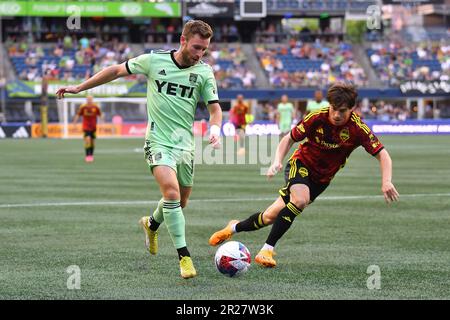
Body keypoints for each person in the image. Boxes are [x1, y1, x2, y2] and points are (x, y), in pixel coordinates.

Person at [57, 20, 222, 279]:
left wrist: (215, 128)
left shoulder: (203, 72)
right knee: (170, 192)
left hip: (185, 145)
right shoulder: (154, 61)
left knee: (182, 201)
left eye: (204, 50)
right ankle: (184, 257)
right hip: (157, 140)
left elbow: (214, 109)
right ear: (183, 40)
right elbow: (114, 71)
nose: (199, 54)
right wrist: (79, 87)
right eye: (196, 47)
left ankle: (151, 224)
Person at [209, 83, 399, 268]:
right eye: (334, 109)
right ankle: (267, 250)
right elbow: (289, 138)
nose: (336, 114)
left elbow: (383, 154)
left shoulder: (358, 129)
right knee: (300, 200)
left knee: (268, 217)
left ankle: (233, 227)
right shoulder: (317, 117)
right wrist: (277, 161)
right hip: (301, 165)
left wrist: (386, 181)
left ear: (352, 108)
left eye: (342, 110)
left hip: (321, 180)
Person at [72, 95, 103, 162]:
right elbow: (78, 114)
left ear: (92, 99)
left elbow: (100, 115)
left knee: (92, 141)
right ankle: (87, 155)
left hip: (93, 127)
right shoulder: (83, 107)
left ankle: (91, 155)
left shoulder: (96, 106)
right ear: (86, 99)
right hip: (86, 126)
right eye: (88, 99)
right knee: (87, 139)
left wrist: (102, 122)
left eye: (90, 99)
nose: (89, 100)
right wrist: (75, 122)